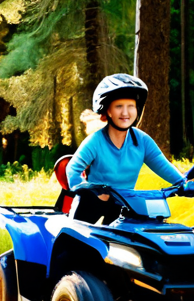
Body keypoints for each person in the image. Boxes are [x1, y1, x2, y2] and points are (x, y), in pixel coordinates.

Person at [65, 73, 185, 224]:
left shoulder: (142, 141)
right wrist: (87, 188)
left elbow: (162, 165)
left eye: (131, 106)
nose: (125, 113)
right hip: (90, 204)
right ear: (107, 110)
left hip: (123, 204)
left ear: (137, 110)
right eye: (118, 106)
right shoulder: (95, 141)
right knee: (78, 243)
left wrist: (183, 183)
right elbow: (72, 169)